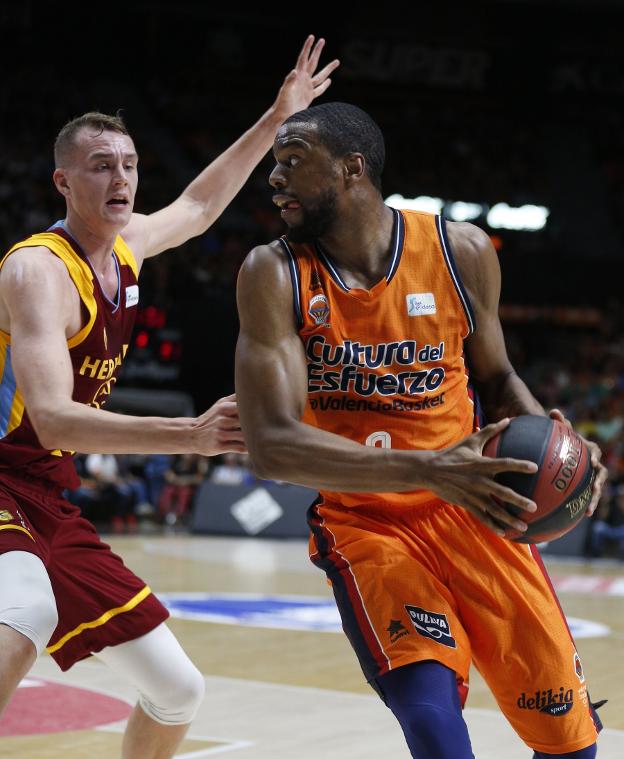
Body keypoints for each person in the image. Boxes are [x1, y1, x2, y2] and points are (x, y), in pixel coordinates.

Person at [234, 102, 608, 759]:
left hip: (475, 512)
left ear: (352, 169)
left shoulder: (460, 251)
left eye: (292, 161)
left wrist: (563, 449)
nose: (274, 178)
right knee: (433, 722)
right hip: (367, 523)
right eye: (274, 165)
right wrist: (429, 468)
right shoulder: (273, 273)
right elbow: (271, 445)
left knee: (570, 744)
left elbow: (498, 381)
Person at [0, 37, 338, 759]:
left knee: (178, 689)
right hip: (0, 481)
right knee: (24, 610)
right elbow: (56, 417)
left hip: (50, 498)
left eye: (128, 164)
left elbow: (201, 201)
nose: (120, 178)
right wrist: (188, 433)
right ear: (63, 182)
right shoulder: (37, 270)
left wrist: (278, 117)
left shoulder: (127, 250)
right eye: (100, 166)